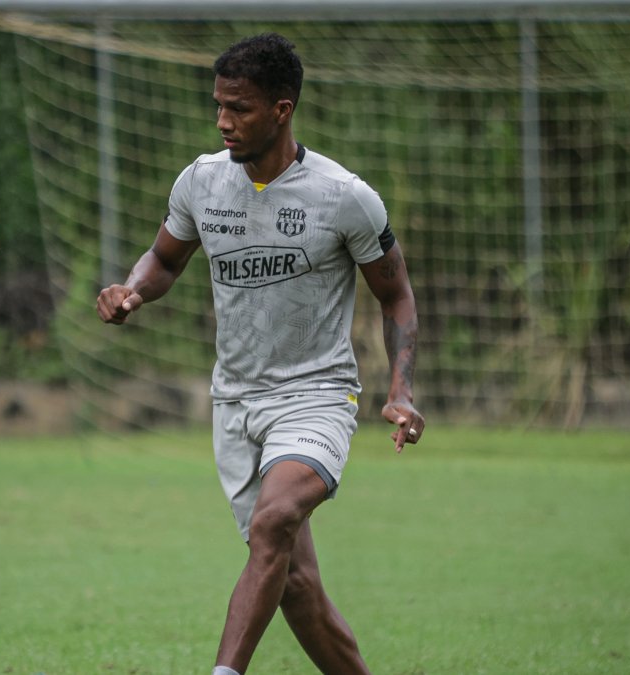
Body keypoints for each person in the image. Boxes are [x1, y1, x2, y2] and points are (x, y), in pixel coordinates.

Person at [96, 33, 424, 675]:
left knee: (273, 524)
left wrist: (401, 389)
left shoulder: (344, 196)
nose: (223, 121)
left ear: (281, 109)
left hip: (316, 397)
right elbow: (164, 259)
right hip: (235, 403)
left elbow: (397, 296)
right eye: (218, 106)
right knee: (294, 583)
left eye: (239, 108)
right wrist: (132, 291)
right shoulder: (201, 182)